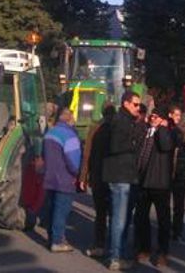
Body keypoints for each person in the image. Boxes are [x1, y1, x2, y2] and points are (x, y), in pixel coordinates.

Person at [102, 90, 142, 271]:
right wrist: (134, 143)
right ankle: (115, 257)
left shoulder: (126, 121)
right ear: (126, 103)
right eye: (135, 104)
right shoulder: (120, 121)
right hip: (120, 176)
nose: (138, 108)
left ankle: (114, 252)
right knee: (119, 219)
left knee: (120, 218)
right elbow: (115, 146)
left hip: (124, 175)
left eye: (139, 105)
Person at [134, 108, 174, 266]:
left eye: (156, 116)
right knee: (141, 217)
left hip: (159, 183)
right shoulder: (145, 131)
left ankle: (163, 251)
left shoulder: (165, 132)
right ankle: (145, 248)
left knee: (163, 220)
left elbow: (165, 146)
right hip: (143, 181)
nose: (152, 118)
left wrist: (162, 127)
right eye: (151, 116)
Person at [42, 107, 82, 252]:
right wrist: (77, 174)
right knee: (61, 211)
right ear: (70, 119)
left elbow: (44, 155)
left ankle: (52, 237)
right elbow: (73, 160)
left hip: (50, 177)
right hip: (64, 179)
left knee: (52, 209)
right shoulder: (70, 136)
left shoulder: (49, 133)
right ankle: (57, 241)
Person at [79, 105, 115, 258]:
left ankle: (99, 243)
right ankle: (114, 245)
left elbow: (87, 154)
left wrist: (83, 177)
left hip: (98, 177)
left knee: (100, 213)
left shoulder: (94, 129)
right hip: (114, 177)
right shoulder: (117, 129)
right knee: (115, 214)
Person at [167, 105, 185, 243]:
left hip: (180, 175)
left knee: (179, 206)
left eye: (179, 116)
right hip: (169, 175)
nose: (178, 118)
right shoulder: (167, 131)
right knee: (166, 204)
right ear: (170, 115)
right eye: (176, 115)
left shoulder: (182, 132)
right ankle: (169, 229)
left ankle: (177, 231)